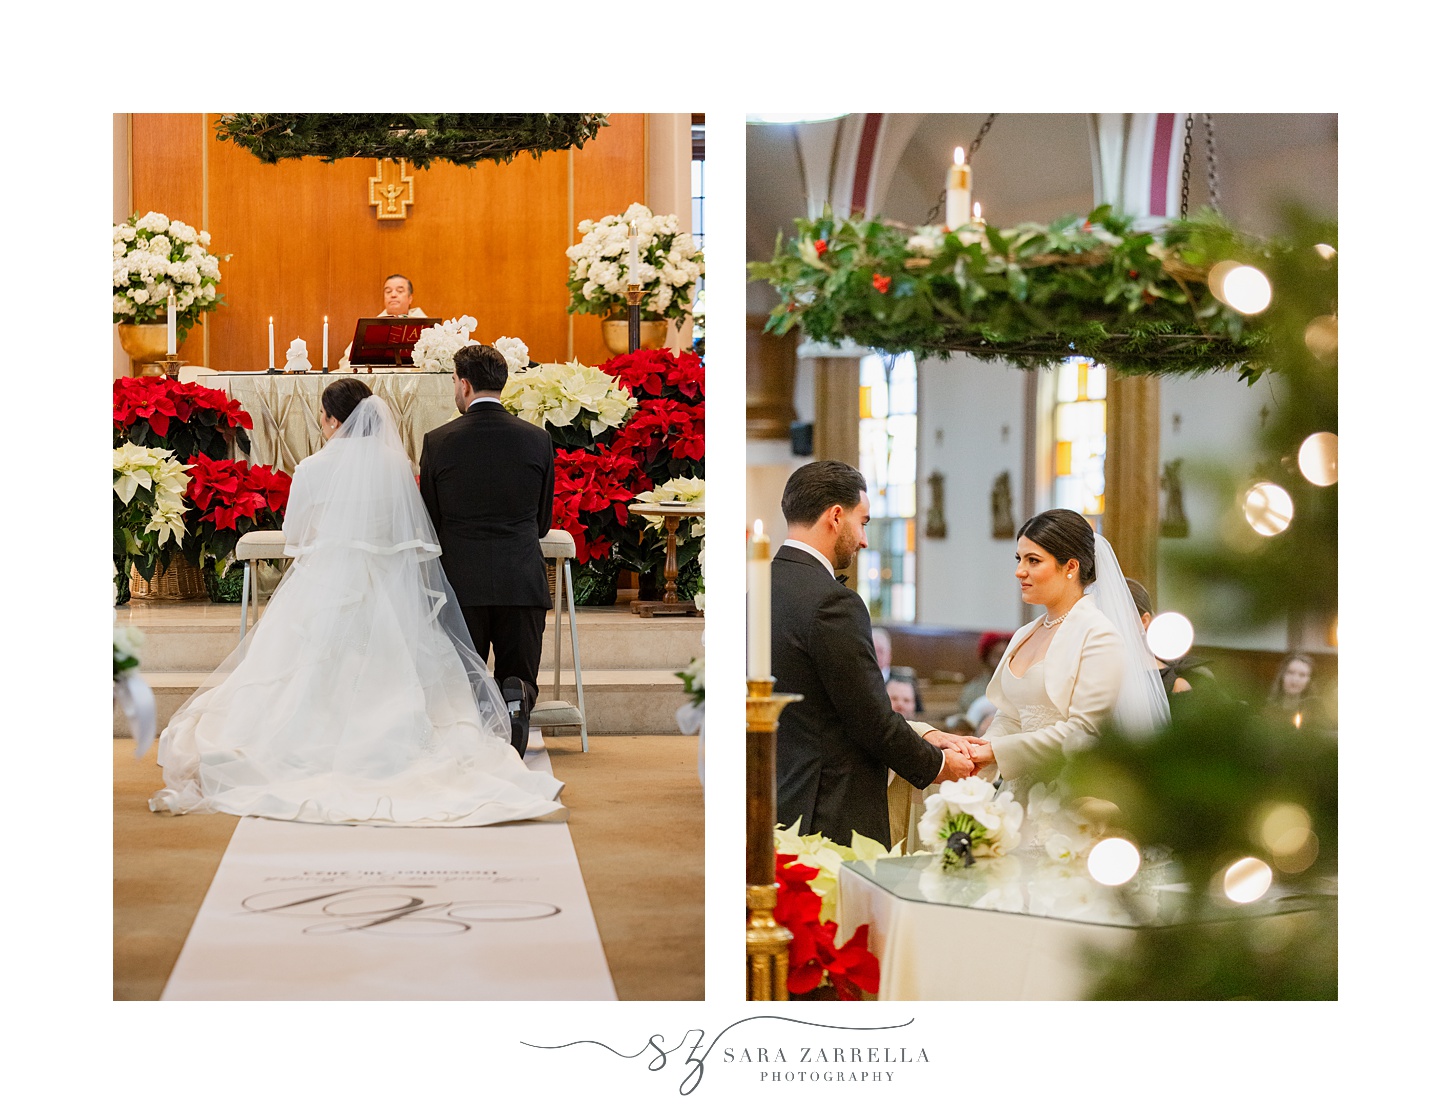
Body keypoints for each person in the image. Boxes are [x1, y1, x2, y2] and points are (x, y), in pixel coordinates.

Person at [150, 379, 565, 826]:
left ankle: (318, 742)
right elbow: (413, 527)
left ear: (330, 419)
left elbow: (297, 538)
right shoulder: (396, 464)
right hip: (391, 586)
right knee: (398, 666)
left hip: (329, 582)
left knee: (308, 670)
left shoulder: (311, 466)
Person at [770, 460, 975, 847]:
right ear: (835, 516)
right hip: (828, 811)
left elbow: (823, 706)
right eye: (862, 522)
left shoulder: (760, 588)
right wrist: (940, 765)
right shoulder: (832, 602)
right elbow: (870, 720)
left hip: (778, 795)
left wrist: (930, 734)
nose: (864, 540)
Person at [963, 509, 1170, 794]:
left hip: (1065, 793)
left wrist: (997, 751)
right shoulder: (1026, 633)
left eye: (1033, 561)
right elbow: (1011, 715)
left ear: (1070, 567)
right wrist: (980, 749)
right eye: (1019, 559)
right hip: (1014, 793)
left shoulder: (1099, 634)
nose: (1019, 571)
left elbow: (1085, 731)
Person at [420, 343, 554, 752]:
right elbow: (543, 522)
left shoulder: (438, 441)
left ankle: (475, 747)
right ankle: (515, 700)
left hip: (462, 583)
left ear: (463, 384)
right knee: (518, 673)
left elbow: (430, 522)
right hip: (521, 578)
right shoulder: (537, 439)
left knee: (465, 680)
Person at [337, 273, 429, 370]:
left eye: (400, 291)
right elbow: (347, 362)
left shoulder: (426, 326)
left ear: (410, 298)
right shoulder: (372, 326)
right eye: (388, 291)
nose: (393, 295)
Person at [1266, 653, 1326, 728]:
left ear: (1310, 680)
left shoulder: (1317, 712)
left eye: (1302, 675)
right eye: (1290, 672)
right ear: (1282, 675)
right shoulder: (1267, 709)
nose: (1295, 679)